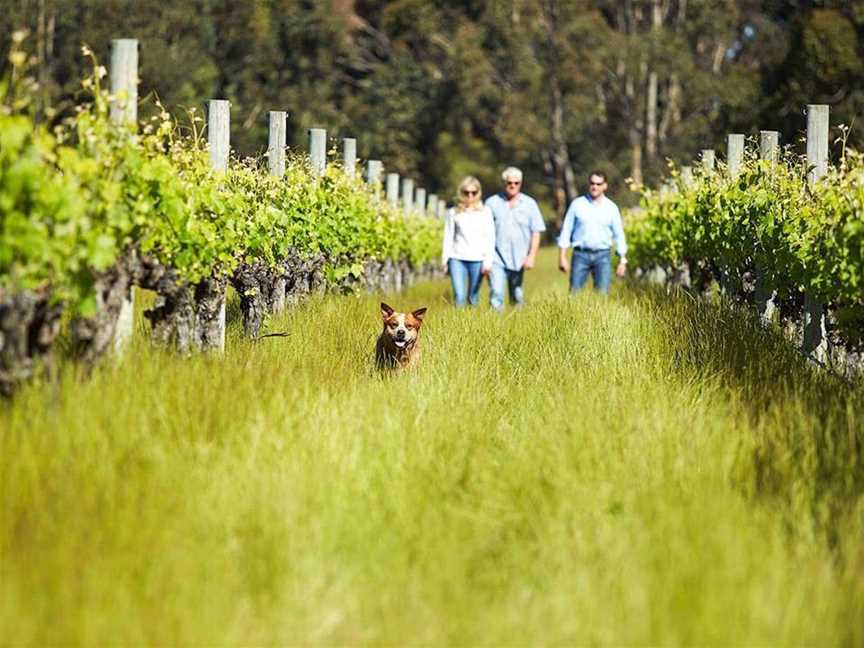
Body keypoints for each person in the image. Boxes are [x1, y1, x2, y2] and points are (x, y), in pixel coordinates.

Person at [485, 167, 546, 311]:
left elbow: (536, 232)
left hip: (519, 258)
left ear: (521, 183)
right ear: (504, 183)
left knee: (517, 295)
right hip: (496, 257)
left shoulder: (530, 204)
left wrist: (531, 256)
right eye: (509, 183)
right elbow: (483, 231)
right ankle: (495, 326)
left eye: (516, 183)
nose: (513, 186)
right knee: (497, 293)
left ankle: (517, 325)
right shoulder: (491, 203)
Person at [557, 171, 627, 294]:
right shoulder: (577, 204)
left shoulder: (611, 208)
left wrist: (622, 260)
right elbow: (566, 230)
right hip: (580, 255)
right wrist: (562, 257)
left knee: (602, 295)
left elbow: (619, 235)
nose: (595, 187)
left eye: (599, 184)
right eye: (592, 183)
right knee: (574, 293)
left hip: (603, 256)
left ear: (605, 186)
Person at [441, 176, 496, 307]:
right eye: (466, 192)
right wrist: (444, 260)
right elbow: (448, 236)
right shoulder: (453, 212)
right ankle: (457, 323)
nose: (470, 196)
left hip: (478, 259)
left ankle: (470, 324)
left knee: (473, 297)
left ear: (478, 193)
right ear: (461, 193)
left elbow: (490, 237)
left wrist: (488, 262)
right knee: (459, 296)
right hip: (457, 258)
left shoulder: (485, 212)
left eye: (474, 192)